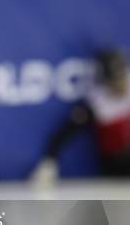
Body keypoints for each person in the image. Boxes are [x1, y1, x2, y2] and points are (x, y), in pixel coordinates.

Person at [32, 48, 130, 182]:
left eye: (122, 79)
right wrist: (49, 161)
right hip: (116, 166)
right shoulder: (97, 104)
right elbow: (66, 132)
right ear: (106, 81)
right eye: (115, 83)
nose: (121, 87)